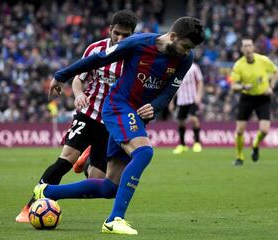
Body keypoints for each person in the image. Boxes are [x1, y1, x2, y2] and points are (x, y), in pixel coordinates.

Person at [33, 17, 205, 235]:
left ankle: (47, 191)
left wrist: (155, 106)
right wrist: (61, 76)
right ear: (172, 36)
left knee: (109, 187)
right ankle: (114, 220)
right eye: (185, 46)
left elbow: (170, 91)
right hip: (118, 106)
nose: (186, 51)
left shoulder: (186, 58)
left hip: (137, 116)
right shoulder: (139, 43)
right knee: (143, 153)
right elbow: (98, 60)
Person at [15, 9, 138, 223]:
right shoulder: (95, 49)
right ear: (110, 29)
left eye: (126, 35)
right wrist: (79, 94)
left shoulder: (135, 58)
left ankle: (88, 157)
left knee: (98, 179)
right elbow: (78, 79)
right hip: (88, 113)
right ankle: (31, 204)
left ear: (133, 35)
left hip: (111, 123)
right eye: (117, 33)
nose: (120, 38)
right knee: (66, 158)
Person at [231, 38, 277, 166]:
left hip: (262, 97)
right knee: (239, 130)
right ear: (241, 49)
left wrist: (270, 87)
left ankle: (255, 145)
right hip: (246, 98)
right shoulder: (238, 65)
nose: (247, 48)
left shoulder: (263, 60)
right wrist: (243, 87)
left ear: (253, 47)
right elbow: (234, 86)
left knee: (264, 130)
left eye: (249, 45)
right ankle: (239, 157)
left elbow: (275, 71)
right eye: (244, 46)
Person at [172, 62, 204, 154]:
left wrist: (199, 95)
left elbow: (200, 81)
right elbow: (174, 85)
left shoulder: (194, 67)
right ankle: (182, 145)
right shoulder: (177, 67)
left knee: (194, 119)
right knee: (181, 122)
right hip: (181, 100)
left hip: (192, 98)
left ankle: (197, 143)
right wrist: (172, 102)